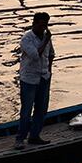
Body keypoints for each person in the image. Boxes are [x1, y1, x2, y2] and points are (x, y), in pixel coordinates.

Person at [16, 12, 54, 147]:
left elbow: (51, 54)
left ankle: (34, 136)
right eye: (42, 25)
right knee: (26, 110)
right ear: (35, 23)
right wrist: (46, 40)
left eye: (46, 25)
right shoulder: (27, 39)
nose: (44, 28)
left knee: (42, 109)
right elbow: (35, 55)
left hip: (44, 77)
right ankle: (20, 139)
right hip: (29, 79)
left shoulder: (46, 38)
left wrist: (49, 70)